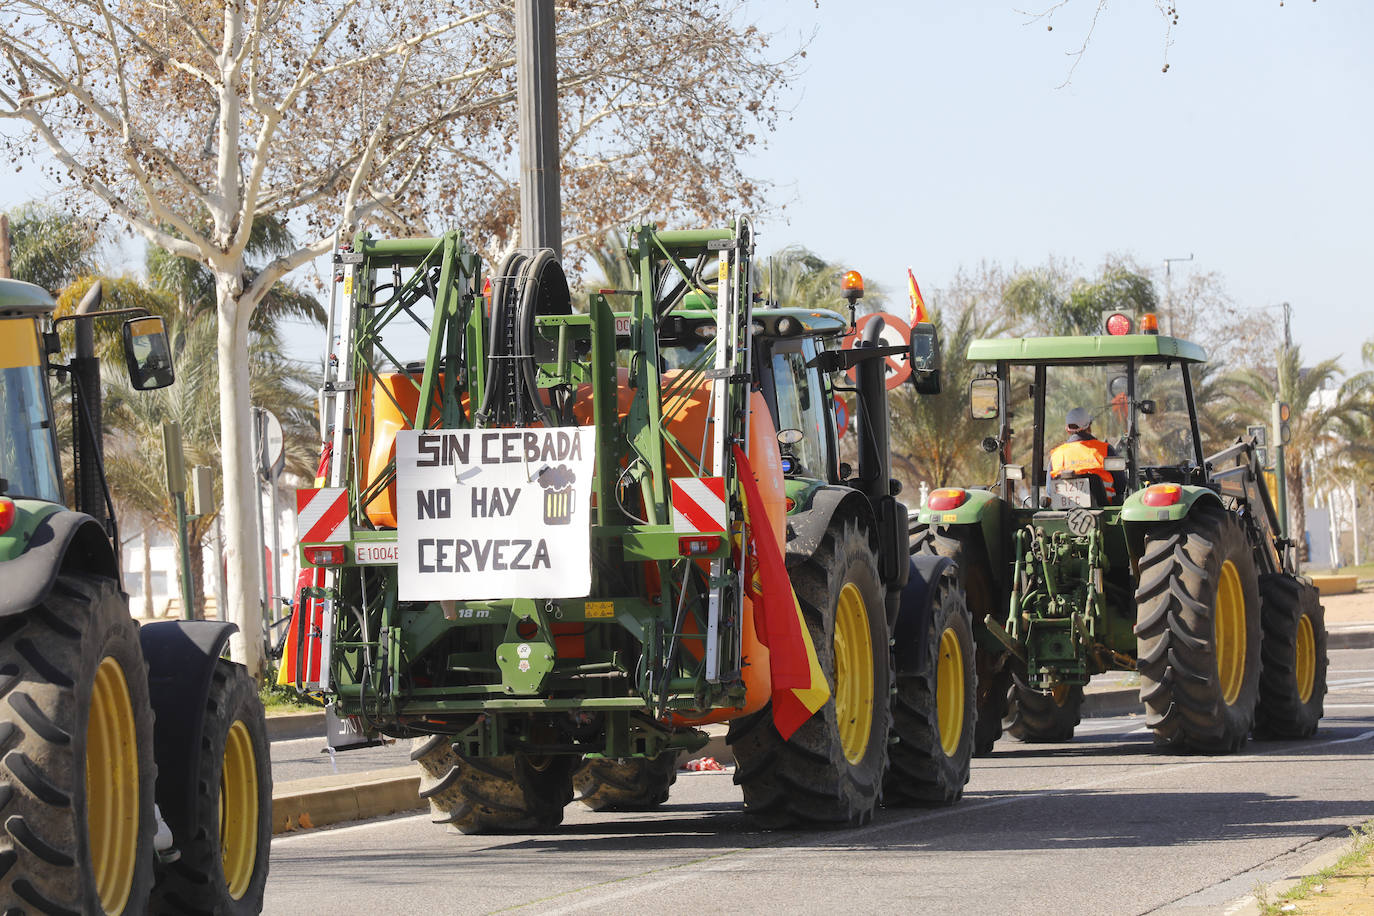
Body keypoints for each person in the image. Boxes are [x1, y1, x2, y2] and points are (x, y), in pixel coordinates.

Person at [1049, 407, 1126, 503]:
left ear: (1067, 430)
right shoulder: (1105, 450)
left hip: (1064, 513)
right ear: (1089, 427)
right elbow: (1121, 485)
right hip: (1106, 509)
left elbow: (1049, 490)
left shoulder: (1056, 455)